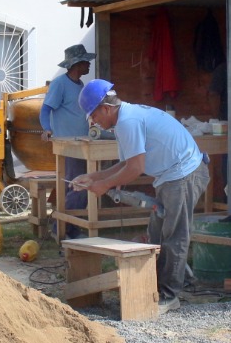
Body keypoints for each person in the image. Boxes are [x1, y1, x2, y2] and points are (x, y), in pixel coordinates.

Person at [72, 79, 209, 315]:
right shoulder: (124, 119)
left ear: (106, 107)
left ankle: (169, 296)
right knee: (156, 235)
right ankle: (154, 288)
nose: (93, 121)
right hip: (171, 176)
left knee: (173, 236)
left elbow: (135, 168)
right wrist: (94, 177)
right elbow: (126, 164)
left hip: (184, 174)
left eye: (93, 115)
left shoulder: (127, 122)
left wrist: (104, 185)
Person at [41, 44, 96, 238]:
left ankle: (69, 228)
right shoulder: (59, 84)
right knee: (79, 186)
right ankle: (61, 228)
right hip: (68, 144)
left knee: (76, 186)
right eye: (85, 62)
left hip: (81, 142)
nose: (89, 64)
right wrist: (47, 129)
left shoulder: (80, 85)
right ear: (76, 64)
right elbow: (45, 109)